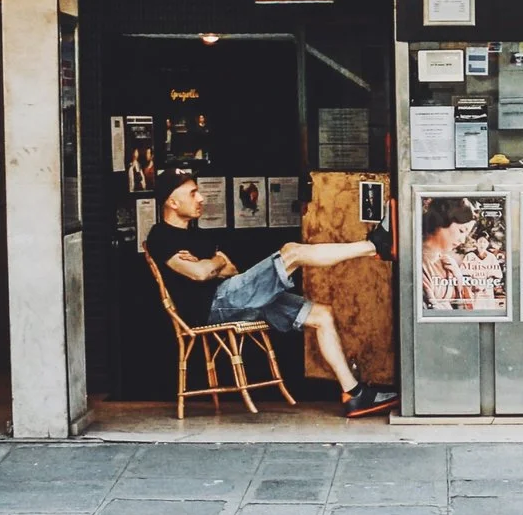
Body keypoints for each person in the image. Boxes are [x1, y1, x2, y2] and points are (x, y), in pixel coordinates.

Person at [143, 171, 397, 417]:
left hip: (234, 297)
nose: (201, 198)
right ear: (172, 202)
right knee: (292, 252)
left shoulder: (197, 236)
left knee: (321, 315)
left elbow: (230, 267)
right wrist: (213, 263)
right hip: (213, 305)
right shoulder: (161, 236)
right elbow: (199, 273)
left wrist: (213, 265)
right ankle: (375, 245)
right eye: (193, 193)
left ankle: (353, 394)